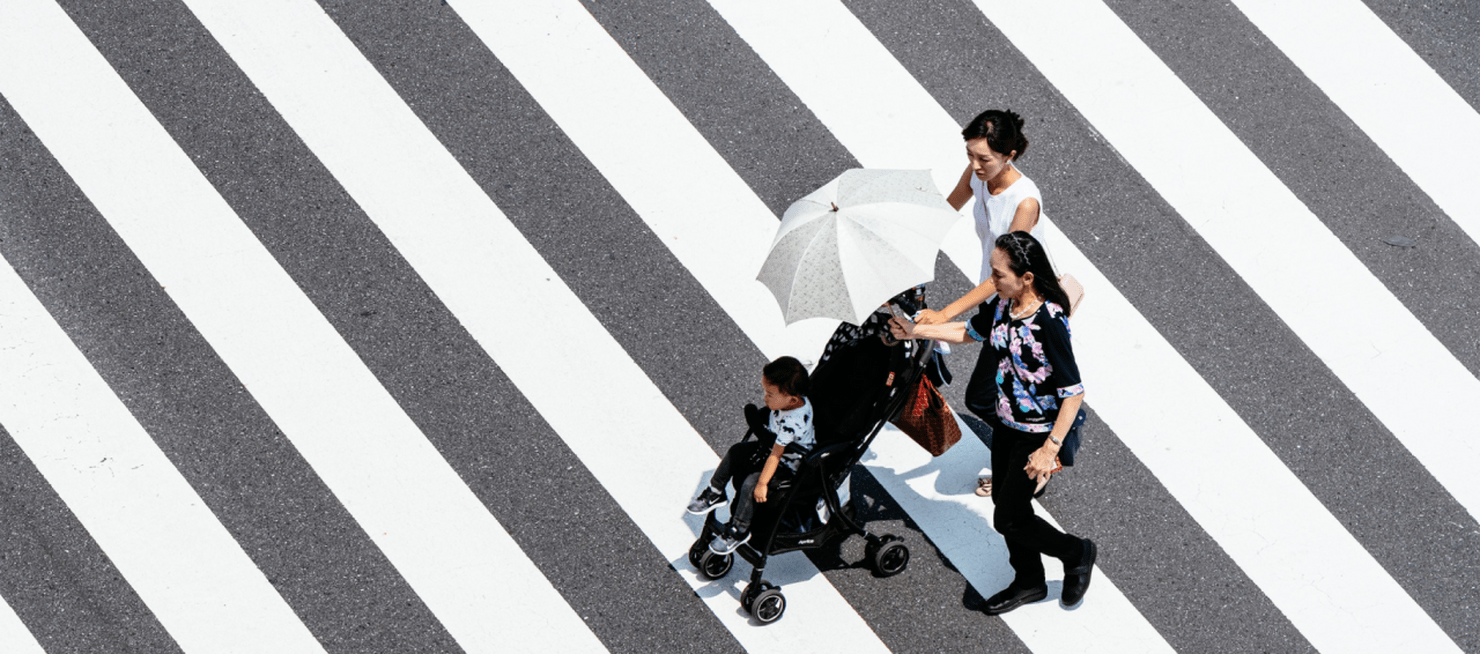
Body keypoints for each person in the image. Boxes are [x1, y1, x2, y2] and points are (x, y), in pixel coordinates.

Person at [890, 231, 1095, 615]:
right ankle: (1030, 580)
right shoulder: (1005, 304)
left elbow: (1073, 391)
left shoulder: (1048, 319)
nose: (993, 281)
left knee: (1007, 518)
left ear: (1027, 278)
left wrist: (1049, 450)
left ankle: (1076, 552)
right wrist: (918, 330)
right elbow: (970, 332)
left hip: (1036, 434)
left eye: (999, 274)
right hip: (1006, 422)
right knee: (1007, 505)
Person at [916, 109, 1045, 327]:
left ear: (1009, 156)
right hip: (993, 291)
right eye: (970, 154)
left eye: (984, 159)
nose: (975, 165)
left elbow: (1006, 270)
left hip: (1022, 305)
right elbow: (944, 213)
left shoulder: (1024, 203)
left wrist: (945, 314)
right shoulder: (978, 175)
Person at [687, 356, 815, 555]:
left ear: (791, 400)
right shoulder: (789, 400)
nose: (765, 397)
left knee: (750, 484)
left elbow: (776, 455)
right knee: (736, 451)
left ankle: (740, 528)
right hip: (771, 445)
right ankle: (715, 491)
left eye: (770, 394)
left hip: (786, 463)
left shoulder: (793, 423)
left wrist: (763, 483)